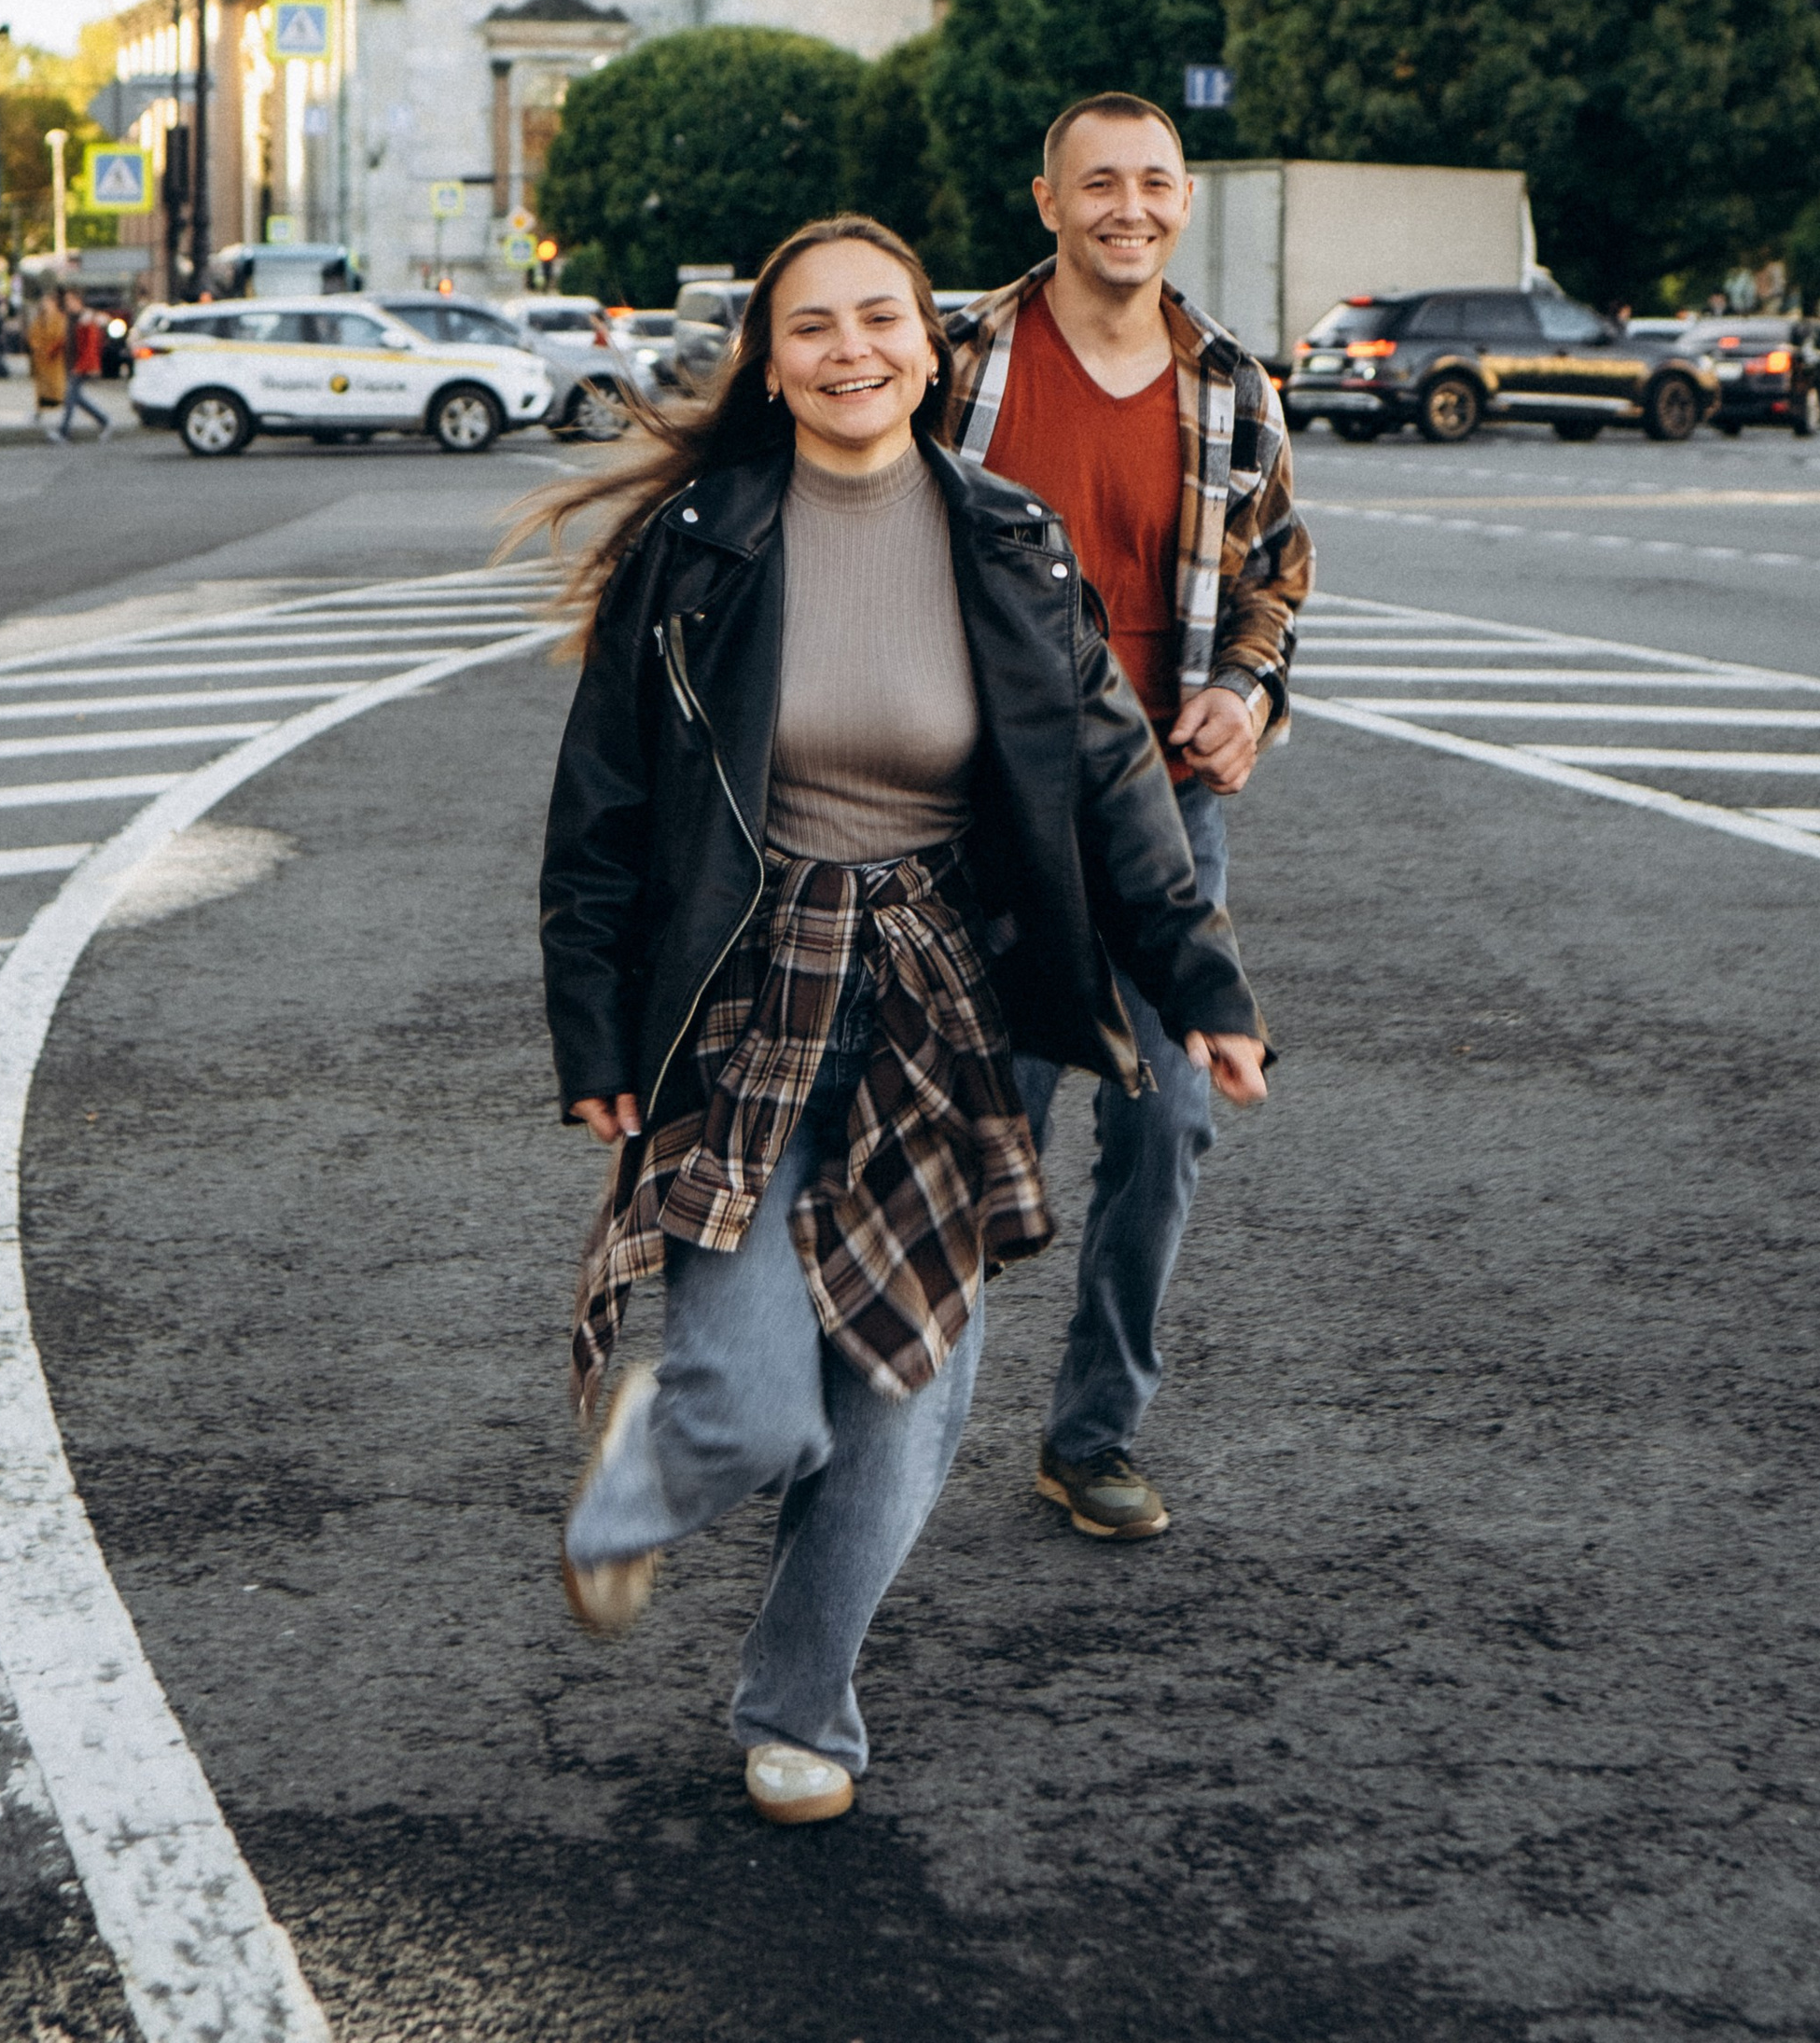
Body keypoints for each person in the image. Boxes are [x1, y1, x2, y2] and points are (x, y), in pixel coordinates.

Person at [535, 215, 1269, 1829]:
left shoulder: (1011, 538)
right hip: (744, 997)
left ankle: (803, 1703)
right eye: (811, 327)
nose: (850, 350)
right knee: (753, 1395)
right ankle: (652, 1472)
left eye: (881, 320)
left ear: (933, 351)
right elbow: (600, 811)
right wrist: (591, 1035)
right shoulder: (701, 546)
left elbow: (1113, 785)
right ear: (771, 361)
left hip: (944, 998)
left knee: (904, 1383)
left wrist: (1201, 981)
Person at [940, 92, 1309, 1544]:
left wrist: (1249, 695)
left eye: (1154, 183)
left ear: (1185, 203)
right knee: (984, 1136)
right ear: (1048, 202)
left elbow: (1276, 570)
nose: (1129, 207)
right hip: (980, 818)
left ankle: (1093, 1435)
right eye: (1099, 183)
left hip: (1166, 812)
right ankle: (882, 1424)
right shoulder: (960, 357)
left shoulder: (1228, 381)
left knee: (1164, 1133)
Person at [57, 297, 112, 442]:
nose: (68, 304)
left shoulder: (86, 320)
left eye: (71, 301)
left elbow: (90, 348)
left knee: (70, 398)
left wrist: (82, 366)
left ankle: (64, 432)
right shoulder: (73, 319)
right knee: (76, 398)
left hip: (81, 365)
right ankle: (104, 421)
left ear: (79, 302)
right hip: (74, 363)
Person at [26, 284, 72, 432]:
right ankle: (39, 411)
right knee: (42, 389)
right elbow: (33, 335)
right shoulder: (40, 319)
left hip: (54, 359)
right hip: (42, 359)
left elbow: (61, 337)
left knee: (58, 387)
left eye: (48, 302)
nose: (45, 304)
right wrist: (37, 347)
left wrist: (50, 349)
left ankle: (64, 413)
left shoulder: (60, 318)